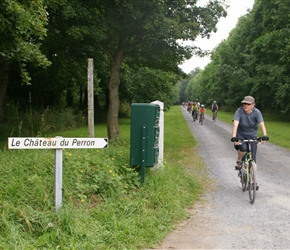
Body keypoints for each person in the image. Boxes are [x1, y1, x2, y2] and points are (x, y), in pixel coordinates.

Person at [231, 96, 268, 190]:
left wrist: (265, 136)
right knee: (242, 148)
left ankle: (253, 182)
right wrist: (234, 137)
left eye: (248, 104)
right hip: (241, 135)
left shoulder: (257, 112)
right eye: (244, 104)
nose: (245, 106)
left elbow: (262, 124)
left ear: (253, 105)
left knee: (253, 160)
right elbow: (235, 124)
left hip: (252, 136)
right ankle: (239, 160)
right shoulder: (239, 111)